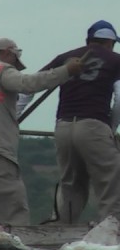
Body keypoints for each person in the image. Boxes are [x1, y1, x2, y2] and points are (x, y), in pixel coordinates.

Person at [0, 38, 83, 229]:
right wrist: (66, 71)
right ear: (9, 53)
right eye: (14, 61)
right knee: (14, 219)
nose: (14, 66)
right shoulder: (0, 69)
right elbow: (28, 84)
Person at [30, 20, 120, 224]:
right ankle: (112, 231)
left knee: (71, 183)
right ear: (110, 42)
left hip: (63, 126)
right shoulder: (116, 61)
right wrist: (111, 127)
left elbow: (31, 88)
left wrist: (13, 118)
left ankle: (63, 229)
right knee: (110, 182)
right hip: (94, 125)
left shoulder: (65, 57)